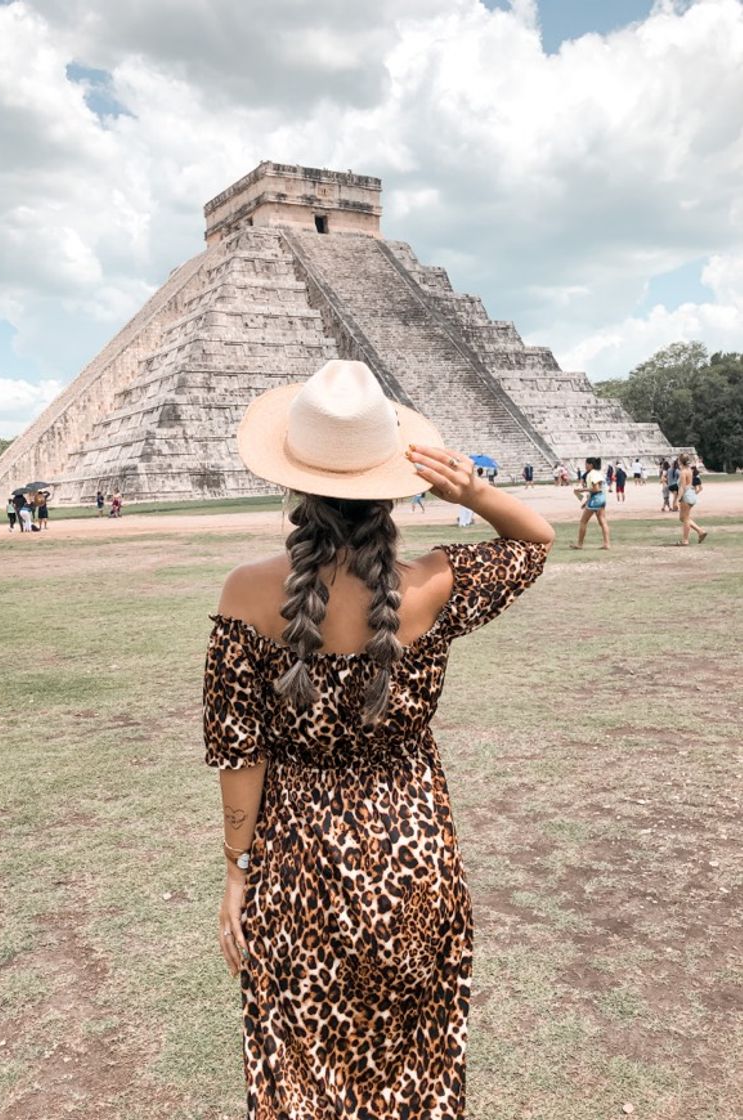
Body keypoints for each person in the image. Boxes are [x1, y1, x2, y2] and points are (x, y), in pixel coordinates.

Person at [203, 359, 554, 1119]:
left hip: (298, 862)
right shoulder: (433, 581)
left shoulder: (245, 591)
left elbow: (239, 747)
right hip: (416, 849)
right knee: (410, 1059)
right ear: (395, 486)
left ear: (294, 487)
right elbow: (535, 542)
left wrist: (237, 867)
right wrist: (475, 490)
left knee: (302, 1059)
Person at [570, 456, 610, 550]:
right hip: (602, 499)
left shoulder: (592, 474)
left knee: (583, 522)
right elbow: (598, 489)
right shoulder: (597, 473)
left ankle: (580, 544)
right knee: (603, 522)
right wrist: (586, 502)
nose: (585, 466)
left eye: (586, 464)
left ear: (590, 465)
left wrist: (582, 490)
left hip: (595, 500)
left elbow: (596, 489)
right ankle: (607, 544)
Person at [676, 453, 707, 545]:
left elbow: (682, 487)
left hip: (686, 495)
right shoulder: (689, 470)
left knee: (685, 518)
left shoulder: (683, 472)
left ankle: (685, 540)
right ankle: (700, 531)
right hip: (691, 494)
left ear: (680, 461)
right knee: (683, 518)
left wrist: (677, 499)